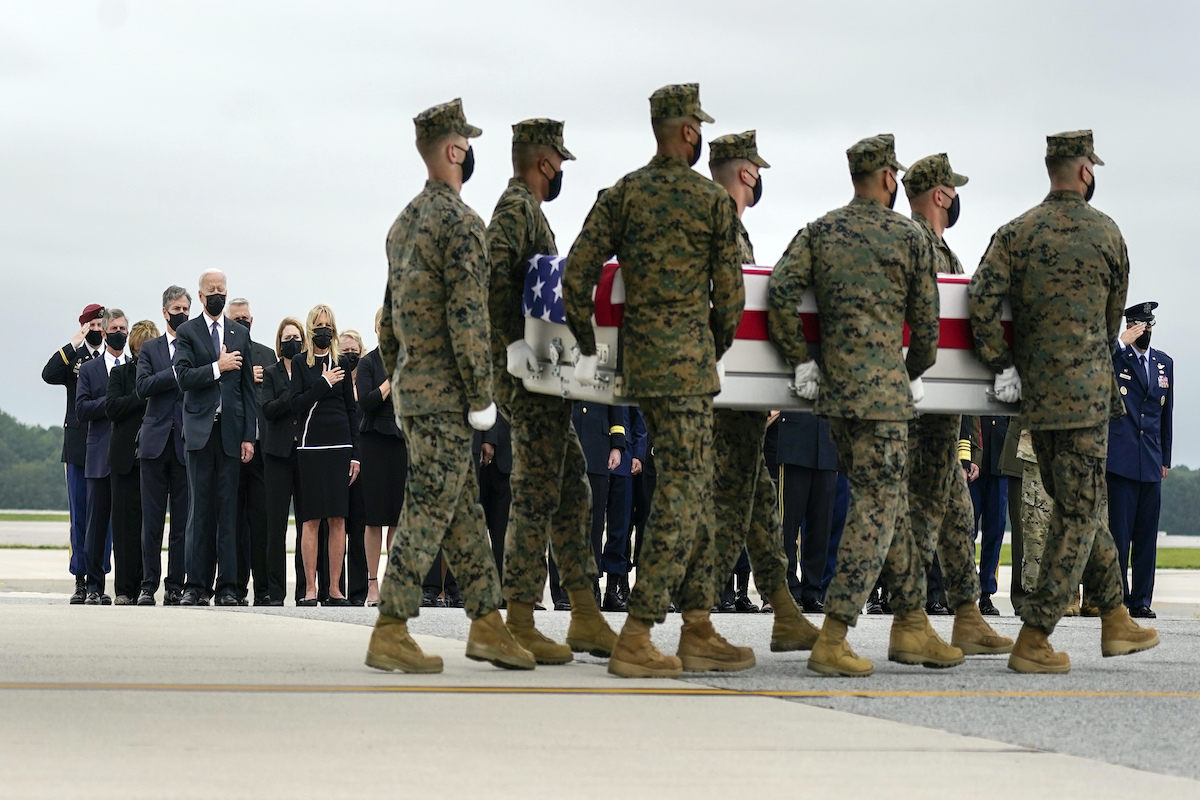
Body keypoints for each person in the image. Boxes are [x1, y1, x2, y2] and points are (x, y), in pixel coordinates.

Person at [565, 83, 751, 678]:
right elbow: (732, 297)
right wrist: (710, 346)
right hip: (691, 367)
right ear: (690, 132)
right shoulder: (710, 202)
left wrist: (594, 346)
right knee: (688, 489)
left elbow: (578, 273)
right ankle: (640, 630)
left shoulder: (624, 194)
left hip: (642, 366)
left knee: (685, 487)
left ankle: (696, 626)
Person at [969, 129, 1158, 673]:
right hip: (1087, 398)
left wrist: (1003, 365)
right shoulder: (1107, 233)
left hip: (1036, 399)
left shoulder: (1017, 231)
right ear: (1085, 171)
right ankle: (1035, 635)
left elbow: (982, 298)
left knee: (1081, 504)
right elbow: (1110, 317)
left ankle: (1116, 616)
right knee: (1078, 510)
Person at [769, 133, 956, 677]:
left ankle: (913, 624)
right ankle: (834, 634)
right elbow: (927, 327)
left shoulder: (820, 230)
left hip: (836, 400)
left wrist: (803, 360)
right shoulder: (908, 237)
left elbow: (781, 291)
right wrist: (910, 372)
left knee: (888, 506)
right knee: (876, 511)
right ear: (888, 178)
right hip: (884, 401)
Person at [365, 98, 534, 673]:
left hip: (414, 391)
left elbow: (386, 322)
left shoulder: (402, 224)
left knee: (463, 514)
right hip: (447, 397)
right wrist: (482, 397)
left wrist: (402, 375)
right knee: (430, 507)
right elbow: (470, 320)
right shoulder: (462, 224)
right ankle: (390, 626)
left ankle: (488, 622)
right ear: (456, 150)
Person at [486, 117, 617, 663]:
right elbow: (493, 270)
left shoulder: (529, 211)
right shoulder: (517, 209)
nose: (560, 170)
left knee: (570, 489)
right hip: (527, 375)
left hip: (543, 376)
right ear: (545, 162)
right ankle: (518, 616)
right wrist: (512, 342)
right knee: (538, 490)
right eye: (559, 162)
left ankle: (584, 613)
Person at [877, 153, 1012, 656]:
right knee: (922, 517)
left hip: (943, 414)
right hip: (920, 411)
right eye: (952, 190)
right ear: (939, 194)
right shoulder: (916, 247)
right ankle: (908, 622)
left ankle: (968, 615)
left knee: (959, 519)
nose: (956, 198)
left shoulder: (945, 253)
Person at [705, 130, 820, 647]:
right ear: (747, 174)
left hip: (732, 393)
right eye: (757, 173)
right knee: (731, 506)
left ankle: (784, 610)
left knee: (755, 500)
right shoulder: (722, 227)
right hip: (726, 394)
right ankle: (696, 618)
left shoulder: (724, 226)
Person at [173, 269, 258, 607]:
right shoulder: (188, 332)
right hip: (199, 434)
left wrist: (249, 435)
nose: (217, 294)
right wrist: (217, 366)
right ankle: (195, 586)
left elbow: (248, 390)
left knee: (228, 513)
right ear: (201, 294)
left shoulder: (239, 333)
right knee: (199, 512)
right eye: (211, 290)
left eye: (221, 289)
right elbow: (182, 377)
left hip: (231, 434)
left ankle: (227, 587)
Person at [289, 305, 360, 607]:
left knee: (338, 520)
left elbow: (351, 410)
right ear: (310, 327)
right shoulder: (300, 363)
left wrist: (355, 454)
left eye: (328, 324)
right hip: (311, 447)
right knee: (311, 520)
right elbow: (296, 404)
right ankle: (309, 588)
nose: (324, 330)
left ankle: (334, 588)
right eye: (318, 325)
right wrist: (323, 382)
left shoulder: (341, 361)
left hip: (340, 447)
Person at [1108, 302, 1173, 618]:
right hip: (1120, 461)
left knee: (1146, 538)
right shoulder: (1117, 357)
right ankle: (1118, 599)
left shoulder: (1164, 364)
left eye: (1147, 325)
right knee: (1120, 537)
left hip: (1150, 461)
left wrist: (1166, 459)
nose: (1143, 330)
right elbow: (1097, 367)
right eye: (1137, 325)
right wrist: (1121, 342)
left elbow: (1165, 415)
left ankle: (1141, 600)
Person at [43, 303, 106, 604]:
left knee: (103, 517)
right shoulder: (75, 358)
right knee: (79, 516)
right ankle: (80, 580)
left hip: (106, 445)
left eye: (99, 326)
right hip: (79, 445)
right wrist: (73, 344)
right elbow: (48, 373)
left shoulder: (113, 359)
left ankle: (100, 578)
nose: (96, 331)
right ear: (84, 328)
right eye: (90, 326)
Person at [135, 287, 191, 606]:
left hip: (185, 443)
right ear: (165, 311)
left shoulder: (196, 347)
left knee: (182, 523)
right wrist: (174, 373)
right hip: (155, 443)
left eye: (185, 307)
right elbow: (143, 387)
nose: (181, 312)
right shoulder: (151, 349)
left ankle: (175, 585)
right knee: (152, 521)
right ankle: (148, 584)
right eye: (176, 307)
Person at [75, 308, 129, 605]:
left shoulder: (135, 367)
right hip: (98, 456)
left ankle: (126, 587)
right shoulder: (90, 369)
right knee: (96, 526)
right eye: (115, 328)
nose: (120, 332)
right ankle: (94, 586)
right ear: (105, 332)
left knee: (125, 525)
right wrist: (112, 403)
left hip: (127, 457)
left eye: (124, 327)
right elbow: (81, 409)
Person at [356, 308, 407, 607]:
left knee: (398, 518)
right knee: (374, 518)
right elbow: (366, 402)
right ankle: (372, 584)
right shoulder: (367, 363)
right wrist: (389, 381)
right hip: (374, 441)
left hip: (401, 443)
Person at [227, 299, 276, 605]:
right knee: (232, 523)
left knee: (261, 522)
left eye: (245, 318)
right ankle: (234, 587)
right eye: (237, 318)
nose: (242, 322)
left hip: (261, 448)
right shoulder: (221, 352)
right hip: (231, 447)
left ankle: (264, 588)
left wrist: (261, 380)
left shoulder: (266, 354)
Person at [106, 320, 154, 604]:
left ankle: (146, 586)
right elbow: (112, 408)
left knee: (148, 527)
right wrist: (140, 395)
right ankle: (124, 589)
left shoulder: (163, 375)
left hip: (152, 458)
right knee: (124, 527)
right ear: (134, 348)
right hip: (124, 459)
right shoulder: (120, 373)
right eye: (141, 347)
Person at [261, 318, 305, 606]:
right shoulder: (270, 373)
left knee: (307, 525)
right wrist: (293, 396)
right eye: (288, 337)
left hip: (304, 453)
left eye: (297, 337)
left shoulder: (308, 369)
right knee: (276, 527)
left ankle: (305, 590)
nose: (293, 341)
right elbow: (268, 409)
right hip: (276, 455)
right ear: (280, 342)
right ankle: (276, 592)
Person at [776, 412, 839, 613]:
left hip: (828, 443)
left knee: (821, 525)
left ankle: (813, 590)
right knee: (788, 525)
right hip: (796, 440)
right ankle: (788, 588)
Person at [568, 401, 626, 610]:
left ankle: (591, 584)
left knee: (594, 522)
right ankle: (564, 591)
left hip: (597, 443)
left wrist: (617, 445)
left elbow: (615, 402)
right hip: (568, 439)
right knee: (565, 519)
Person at [339, 328, 369, 606]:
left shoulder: (367, 377)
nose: (349, 356)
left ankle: (358, 592)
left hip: (362, 460)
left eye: (353, 351)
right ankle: (333, 588)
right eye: (344, 351)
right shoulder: (335, 378)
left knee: (358, 530)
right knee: (335, 528)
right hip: (336, 459)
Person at [971, 415, 1009, 615]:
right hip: (974, 459)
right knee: (967, 529)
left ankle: (986, 592)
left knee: (995, 531)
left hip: (1000, 459)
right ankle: (967, 587)